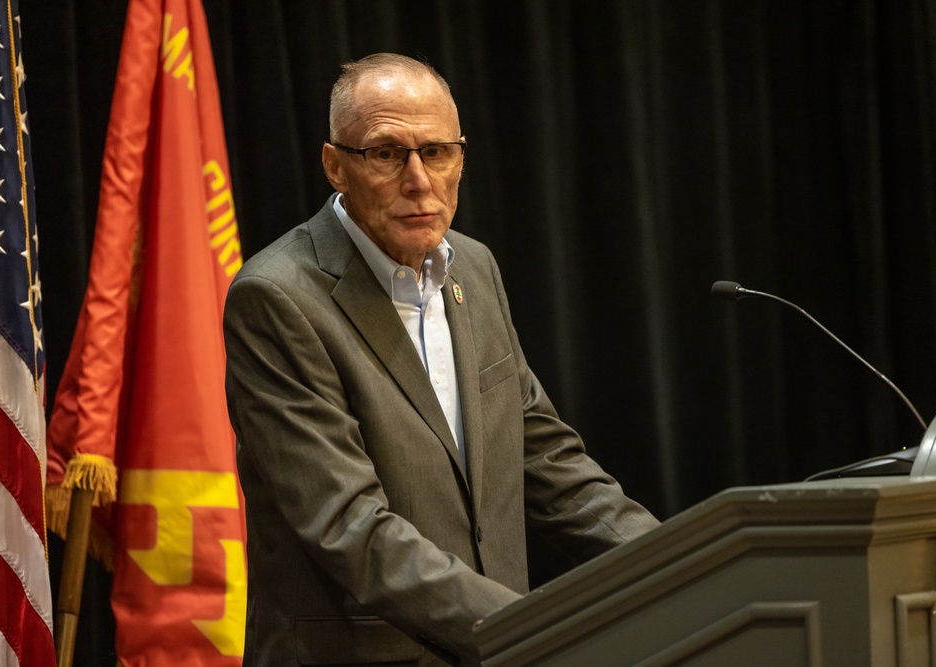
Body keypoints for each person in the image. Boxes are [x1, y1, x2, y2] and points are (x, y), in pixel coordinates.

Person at [223, 53, 660, 667]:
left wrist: (679, 563)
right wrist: (525, 630)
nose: (419, 181)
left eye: (437, 152)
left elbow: (544, 458)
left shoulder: (473, 269)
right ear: (334, 166)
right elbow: (348, 525)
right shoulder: (277, 299)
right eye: (386, 154)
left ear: (461, 157)